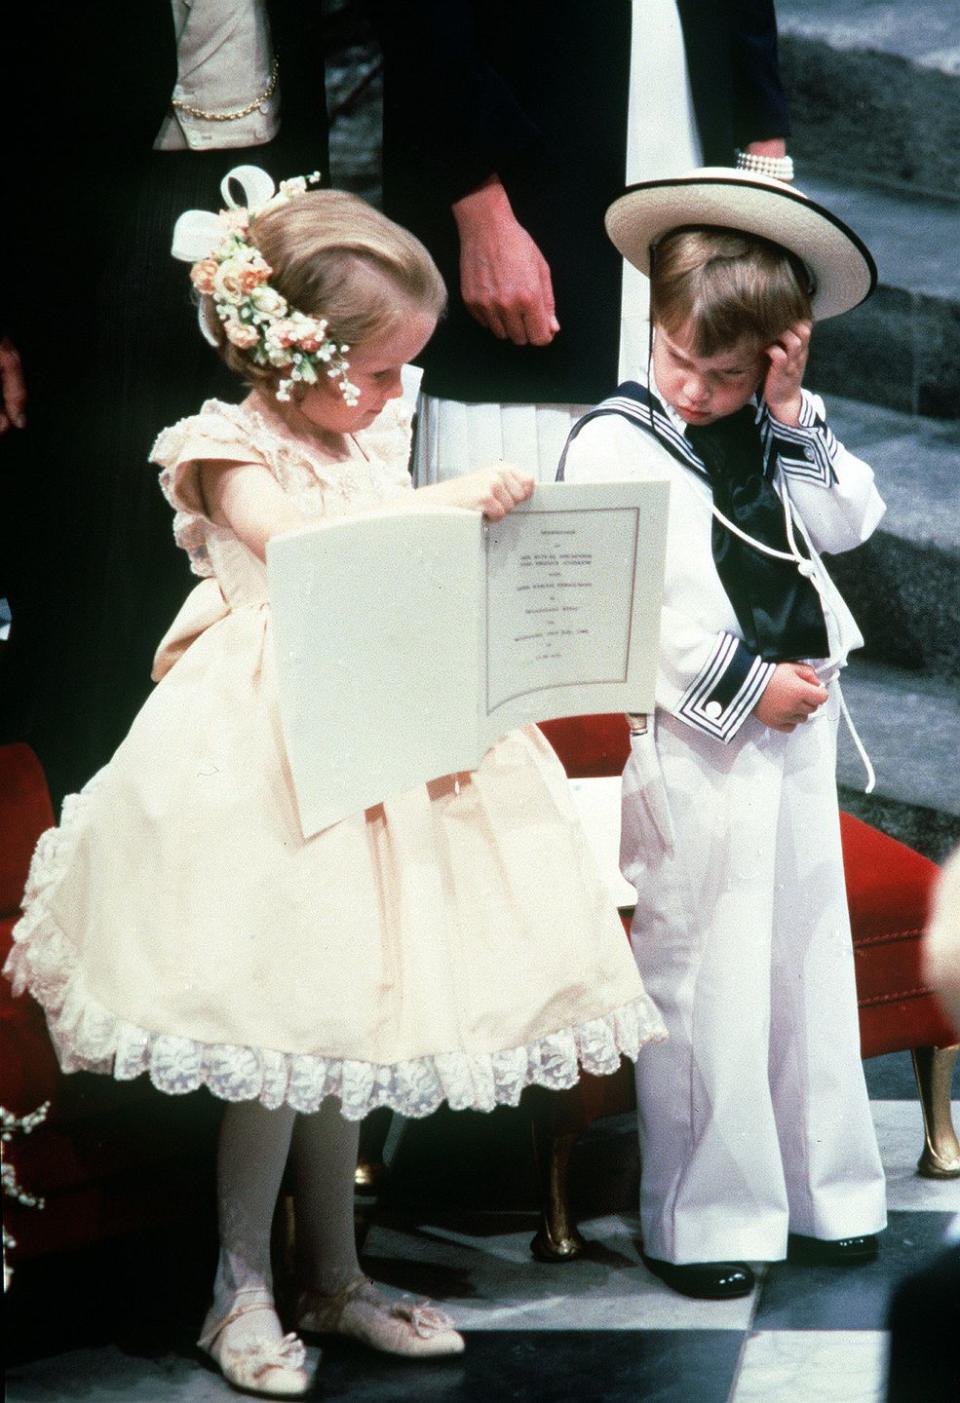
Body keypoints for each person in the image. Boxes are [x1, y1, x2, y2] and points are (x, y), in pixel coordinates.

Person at [4, 167, 664, 1397]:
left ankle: (338, 1271)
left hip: (386, 734)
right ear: (290, 349)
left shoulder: (367, 432)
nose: (392, 394)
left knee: (358, 1015)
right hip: (270, 757)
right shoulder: (227, 443)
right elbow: (306, 553)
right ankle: (240, 1282)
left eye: (404, 372)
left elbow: (393, 560)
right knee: (286, 1017)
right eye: (374, 371)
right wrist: (444, 504)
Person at [561, 167, 889, 1299]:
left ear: (775, 358)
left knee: (803, 957)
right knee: (709, 971)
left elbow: (851, 520)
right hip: (697, 738)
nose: (696, 389)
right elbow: (627, 609)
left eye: (727, 372)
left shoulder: (771, 424)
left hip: (799, 722)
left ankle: (825, 1188)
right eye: (679, 361)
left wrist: (792, 415)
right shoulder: (615, 437)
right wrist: (749, 687)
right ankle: (706, 1215)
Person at [371, 0, 794, 485]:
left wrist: (764, 156)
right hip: (522, 161)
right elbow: (421, 25)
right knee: (512, 500)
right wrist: (477, 201)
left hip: (687, 129)